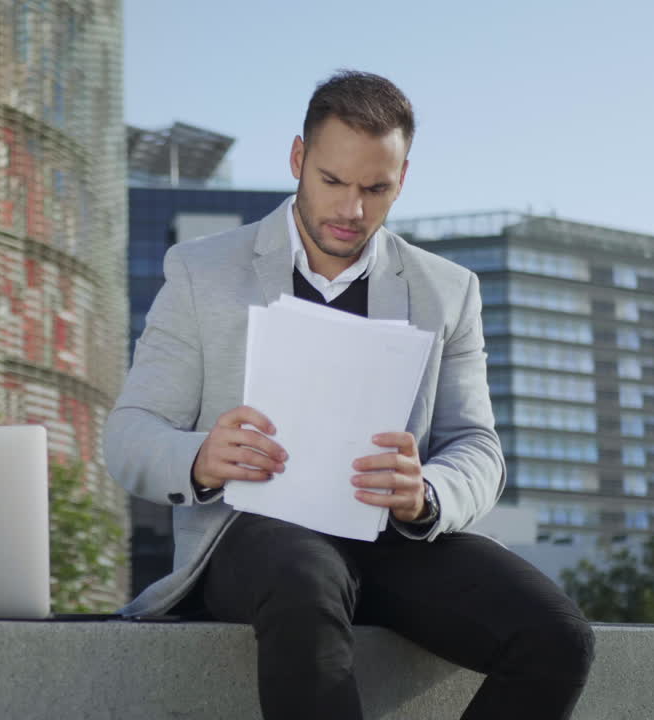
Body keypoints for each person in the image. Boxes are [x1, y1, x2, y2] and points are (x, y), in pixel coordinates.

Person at [103, 71, 595, 719]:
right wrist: (201, 456)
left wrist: (428, 494)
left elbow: (478, 447)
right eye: (333, 181)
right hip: (252, 536)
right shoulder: (203, 271)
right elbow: (130, 434)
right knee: (305, 584)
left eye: (375, 188)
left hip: (393, 538)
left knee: (556, 637)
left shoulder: (446, 290)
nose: (351, 210)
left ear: (403, 179)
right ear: (298, 159)